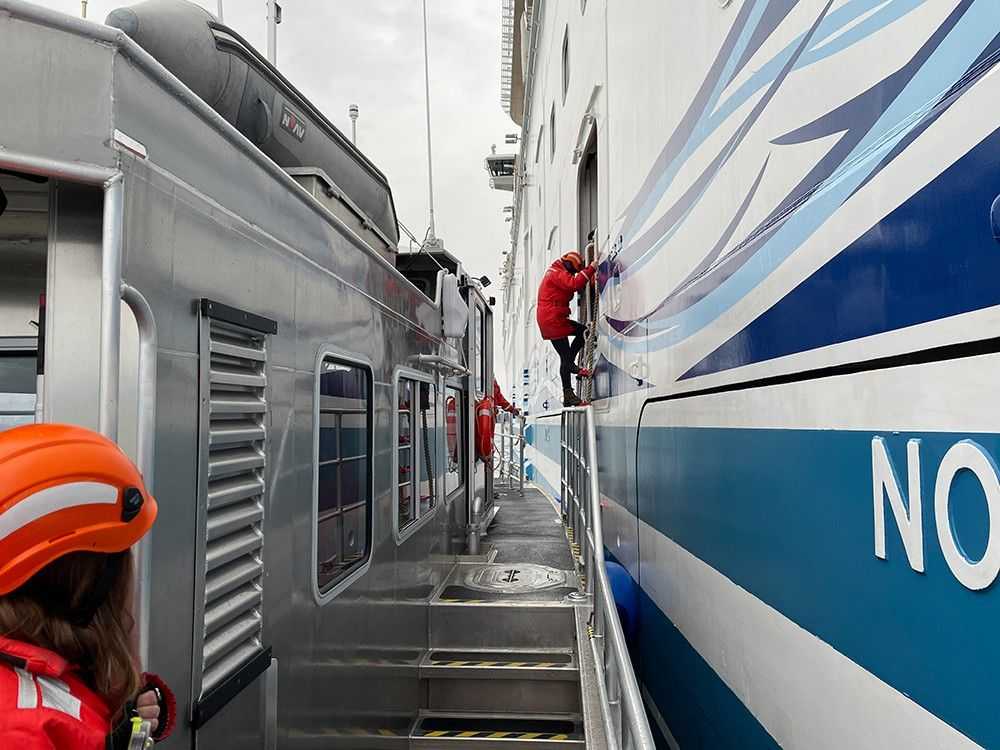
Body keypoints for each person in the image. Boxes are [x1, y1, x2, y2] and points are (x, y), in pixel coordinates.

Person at [0, 423, 174, 749]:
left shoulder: (40, 663)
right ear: (85, 581)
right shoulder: (21, 729)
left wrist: (125, 718)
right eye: (122, 559)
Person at [536, 250, 597, 406]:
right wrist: (591, 268)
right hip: (552, 319)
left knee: (583, 332)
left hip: (554, 318)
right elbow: (574, 283)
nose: (572, 273)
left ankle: (571, 364)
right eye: (573, 270)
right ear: (569, 263)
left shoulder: (556, 271)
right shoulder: (556, 273)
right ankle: (568, 394)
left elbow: (573, 283)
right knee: (566, 355)